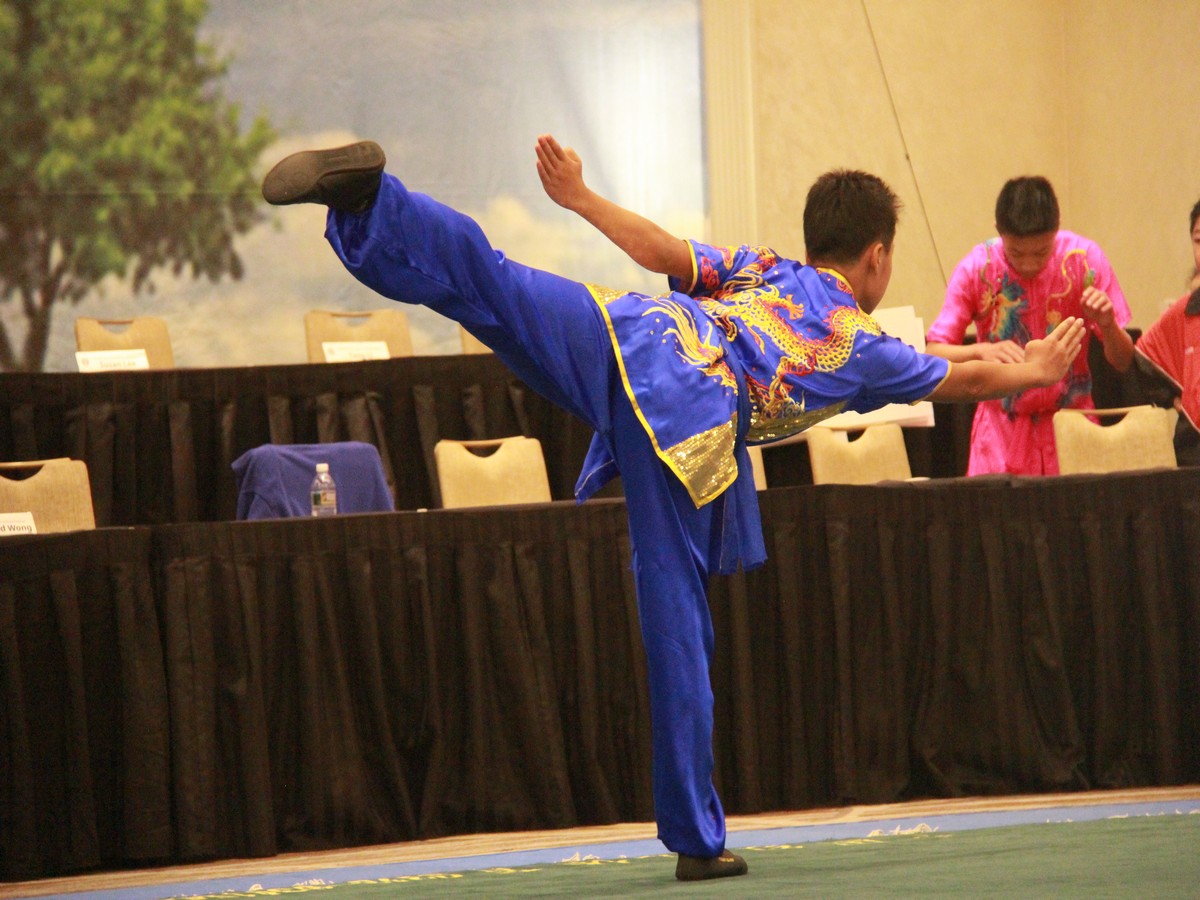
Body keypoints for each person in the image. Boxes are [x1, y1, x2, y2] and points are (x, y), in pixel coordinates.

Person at [261, 136, 1085, 881]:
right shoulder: (855, 344)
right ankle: (694, 837)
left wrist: (580, 198)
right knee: (678, 621)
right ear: (877, 257)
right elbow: (956, 383)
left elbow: (657, 249)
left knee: (492, 283)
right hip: (687, 407)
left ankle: (368, 203)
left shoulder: (766, 270)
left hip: (633, 329)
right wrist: (1032, 369)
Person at [925, 176, 1135, 475]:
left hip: (1073, 428)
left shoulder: (1084, 260)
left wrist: (1108, 324)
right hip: (1000, 437)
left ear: (1056, 229)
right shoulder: (977, 268)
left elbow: (1123, 360)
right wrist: (981, 351)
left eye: (1041, 253)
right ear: (999, 231)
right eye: (1016, 253)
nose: (1028, 265)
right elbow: (933, 353)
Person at [1132, 196, 1200, 465]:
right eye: (1198, 240)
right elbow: (1143, 360)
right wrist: (1173, 398)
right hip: (1192, 459)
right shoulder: (1185, 311)